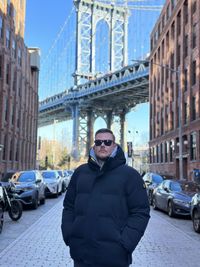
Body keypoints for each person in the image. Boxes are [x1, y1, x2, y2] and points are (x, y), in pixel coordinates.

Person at [61, 128, 150, 267]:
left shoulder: (130, 175)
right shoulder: (80, 173)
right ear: (94, 146)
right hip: (81, 256)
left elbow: (141, 212)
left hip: (114, 258)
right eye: (98, 142)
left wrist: (126, 243)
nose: (103, 145)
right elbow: (69, 207)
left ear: (114, 146)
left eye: (107, 142)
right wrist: (69, 235)